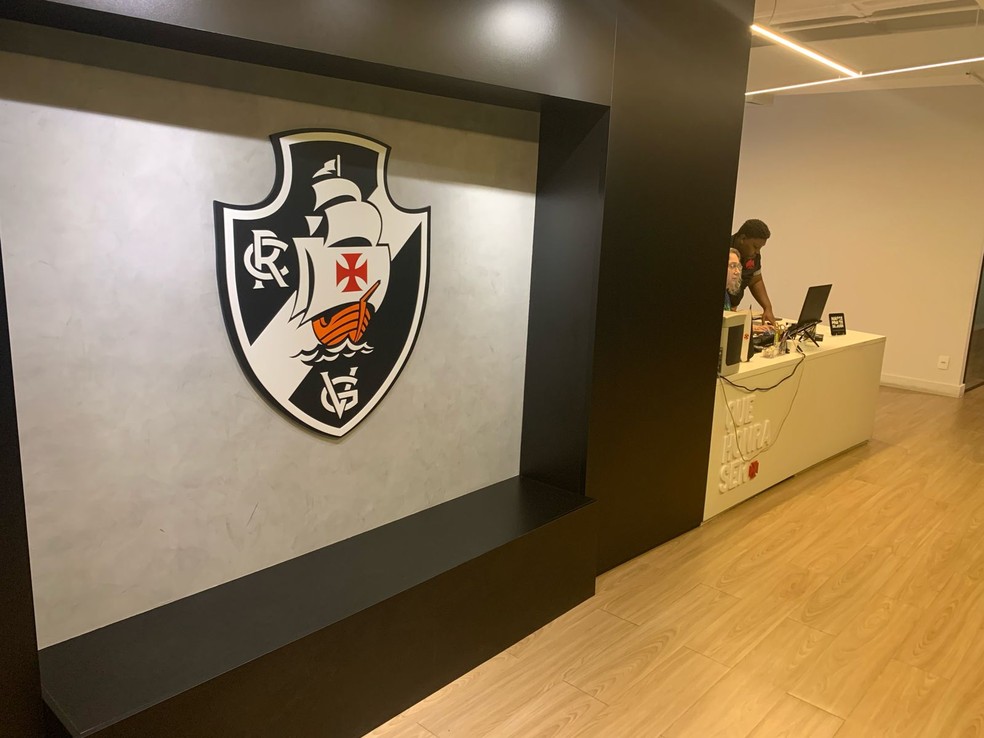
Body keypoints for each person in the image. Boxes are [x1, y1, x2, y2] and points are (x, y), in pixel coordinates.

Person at [730, 219, 776, 325]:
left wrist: (767, 307)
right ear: (743, 239)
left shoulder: (753, 256)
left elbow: (755, 280)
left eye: (760, 248)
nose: (757, 251)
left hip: (732, 310)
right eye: (755, 247)